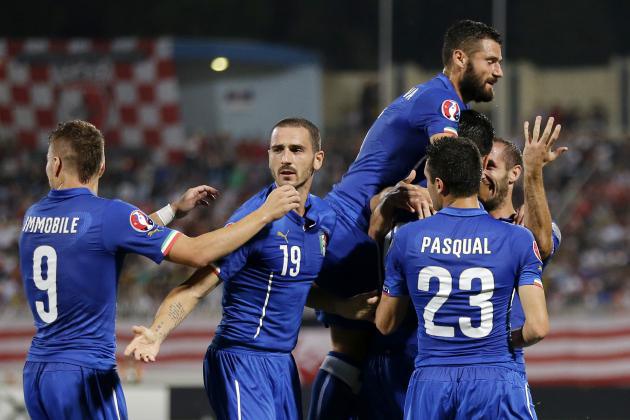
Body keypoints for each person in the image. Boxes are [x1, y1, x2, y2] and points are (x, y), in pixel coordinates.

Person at [19, 120, 302, 420]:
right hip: (85, 373)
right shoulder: (110, 215)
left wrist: (173, 210)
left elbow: (105, 235)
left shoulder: (34, 215)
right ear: (102, 166)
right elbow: (198, 253)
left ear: (56, 164)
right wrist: (264, 214)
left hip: (37, 374)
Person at [309, 20, 504, 419]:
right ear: (460, 58)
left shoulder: (430, 95)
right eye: (491, 61)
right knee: (354, 348)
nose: (498, 71)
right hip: (354, 227)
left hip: (348, 220)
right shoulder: (443, 102)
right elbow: (453, 170)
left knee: (356, 350)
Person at [124, 118, 378, 420]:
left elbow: (291, 282)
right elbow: (194, 288)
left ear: (318, 159)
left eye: (296, 149)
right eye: (278, 149)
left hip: (282, 364)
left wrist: (341, 306)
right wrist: (156, 333)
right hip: (241, 360)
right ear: (269, 157)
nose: (286, 158)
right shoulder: (253, 222)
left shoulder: (323, 217)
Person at [375, 137, 549, 418]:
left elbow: (385, 323)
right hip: (494, 377)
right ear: (477, 177)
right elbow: (537, 328)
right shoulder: (517, 238)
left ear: (439, 185)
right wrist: (502, 340)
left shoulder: (407, 238)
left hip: (431, 381)